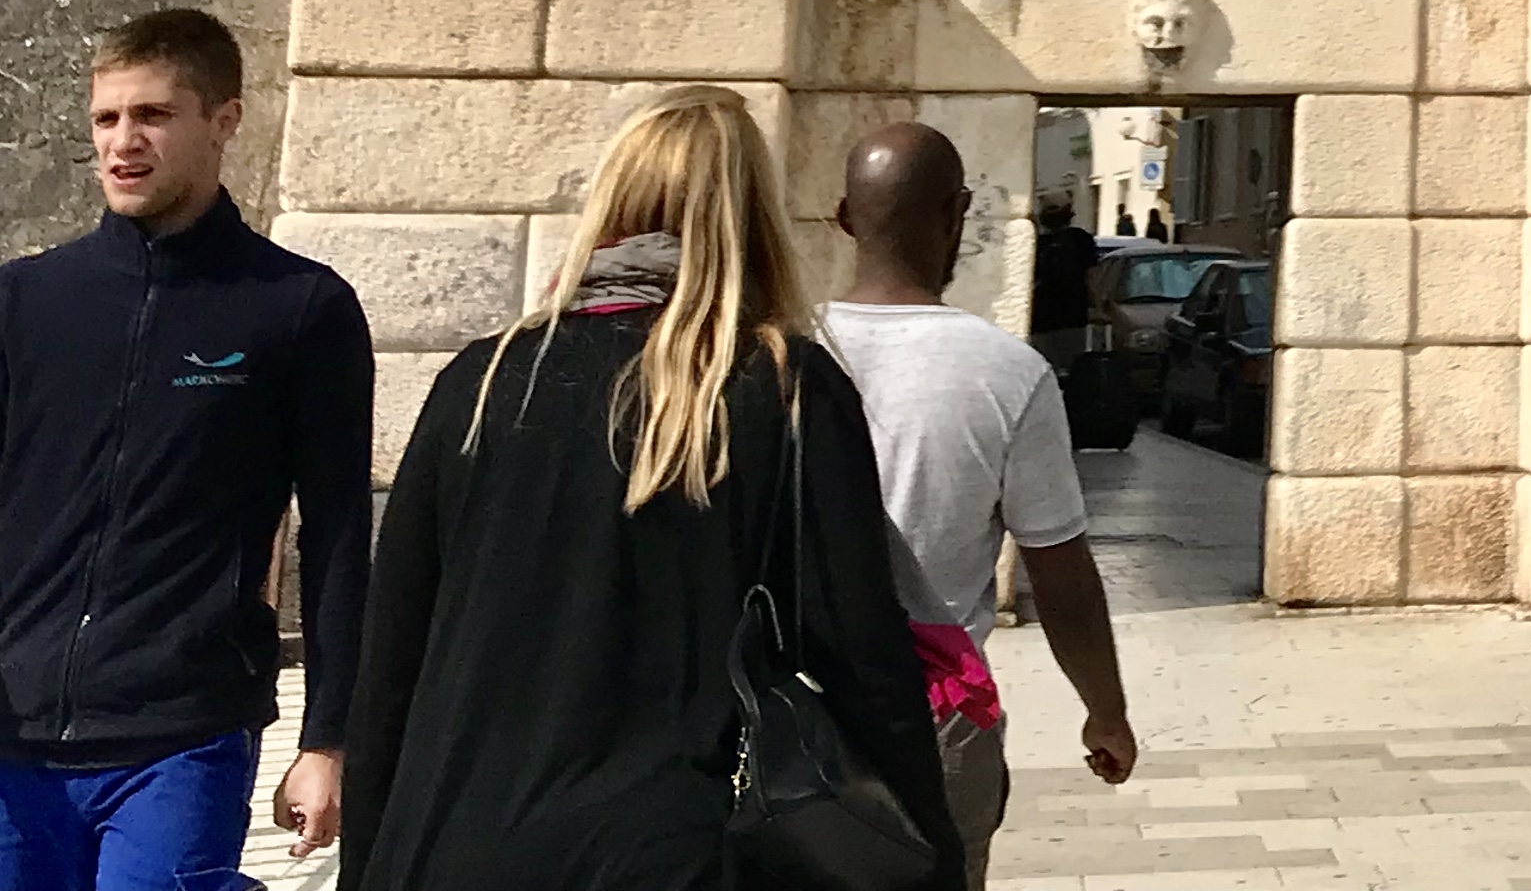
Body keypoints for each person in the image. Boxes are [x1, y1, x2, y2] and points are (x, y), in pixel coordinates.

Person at [344, 84, 960, 891]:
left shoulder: (481, 383)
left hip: (450, 844)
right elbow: (864, 661)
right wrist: (935, 858)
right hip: (667, 852)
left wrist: (364, 865)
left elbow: (390, 664)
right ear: (751, 219)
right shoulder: (780, 391)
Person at [0, 8, 372, 881]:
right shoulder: (24, 302)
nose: (123, 142)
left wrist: (328, 740)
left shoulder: (298, 309)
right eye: (106, 118)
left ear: (224, 119)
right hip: (12, 737)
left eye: (153, 115)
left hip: (181, 739)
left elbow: (338, 534)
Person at [821, 125, 1137, 889]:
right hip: (938, 719)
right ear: (957, 214)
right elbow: (1058, 570)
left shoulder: (778, 351)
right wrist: (1106, 711)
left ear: (845, 218)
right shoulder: (1009, 374)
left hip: (801, 716)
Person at [1025, 202, 1097, 345]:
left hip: (1041, 312)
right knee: (1072, 352)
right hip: (1074, 310)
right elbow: (1091, 276)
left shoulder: (1037, 243)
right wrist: (1096, 306)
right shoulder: (1080, 238)